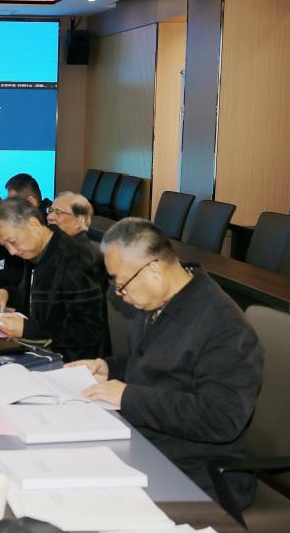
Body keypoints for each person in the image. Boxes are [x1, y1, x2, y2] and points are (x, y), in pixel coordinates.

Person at [70, 218, 263, 509]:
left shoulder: (225, 327)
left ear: (154, 269)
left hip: (196, 470)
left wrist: (128, 397)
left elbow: (221, 418)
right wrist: (110, 368)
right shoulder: (161, 299)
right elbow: (157, 361)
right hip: (148, 444)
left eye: (122, 285)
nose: (121, 295)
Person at [0, 198, 106, 361]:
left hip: (68, 360)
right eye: (5, 245)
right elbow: (34, 298)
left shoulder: (73, 259)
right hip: (37, 349)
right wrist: (6, 293)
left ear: (33, 224)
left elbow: (88, 330)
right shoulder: (35, 250)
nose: (11, 251)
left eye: (12, 241)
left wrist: (28, 329)